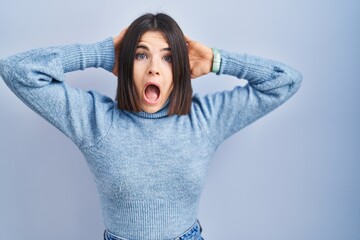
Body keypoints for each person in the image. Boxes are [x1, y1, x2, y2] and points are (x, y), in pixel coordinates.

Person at [0, 13, 302, 240]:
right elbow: (18, 71)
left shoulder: (205, 120)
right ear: (126, 65)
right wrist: (101, 53)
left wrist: (217, 61)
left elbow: (285, 81)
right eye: (141, 55)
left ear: (180, 70)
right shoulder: (94, 120)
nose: (154, 67)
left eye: (169, 58)